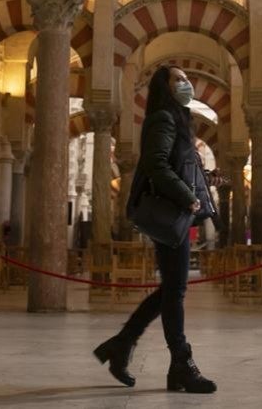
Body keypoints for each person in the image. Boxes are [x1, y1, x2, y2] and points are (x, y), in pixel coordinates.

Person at [92, 65, 217, 393]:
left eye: (187, 79)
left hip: (178, 212)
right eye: (178, 79)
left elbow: (176, 165)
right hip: (171, 212)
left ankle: (123, 347)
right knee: (174, 291)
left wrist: (204, 182)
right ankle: (181, 364)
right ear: (164, 86)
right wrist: (187, 196)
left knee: (171, 290)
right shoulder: (163, 118)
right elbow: (156, 164)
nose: (186, 83)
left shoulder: (177, 119)